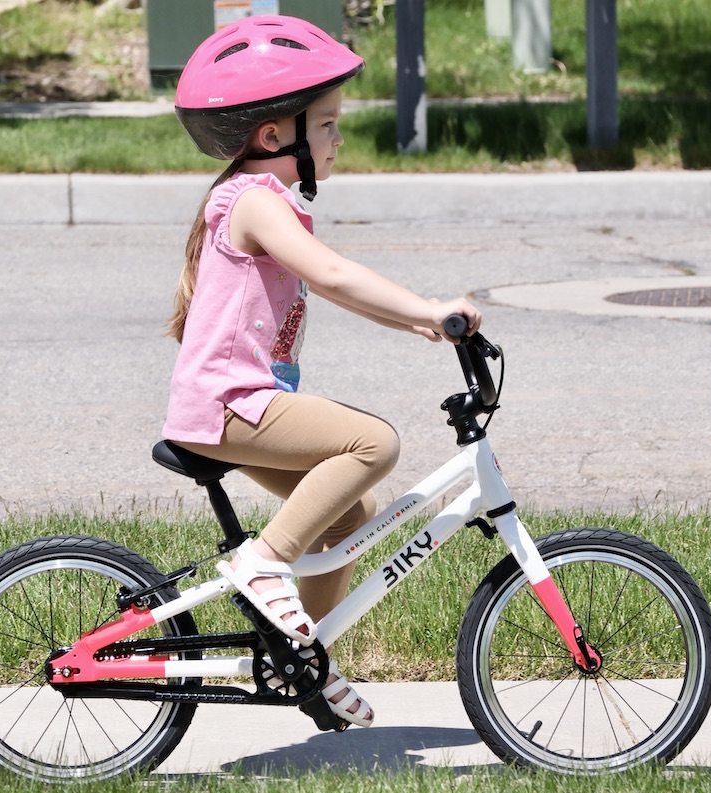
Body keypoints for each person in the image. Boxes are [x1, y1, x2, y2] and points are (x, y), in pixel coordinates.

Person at [162, 15, 482, 729]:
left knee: (350, 514)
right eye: (329, 124)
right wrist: (428, 307)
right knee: (375, 445)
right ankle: (263, 560)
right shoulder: (250, 201)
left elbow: (338, 285)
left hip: (240, 403)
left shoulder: (265, 201)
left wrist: (419, 321)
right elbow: (334, 277)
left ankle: (304, 660)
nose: (340, 139)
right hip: (229, 404)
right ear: (275, 136)